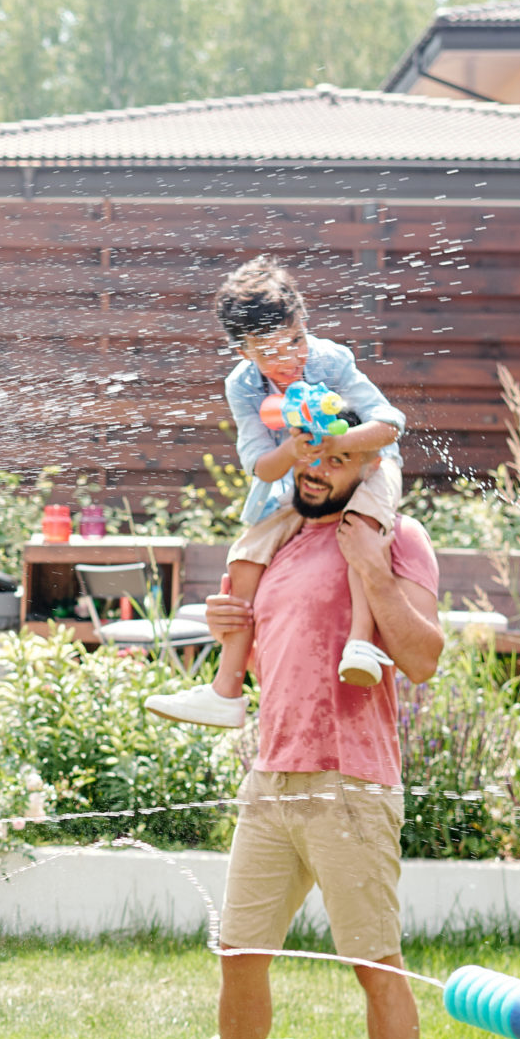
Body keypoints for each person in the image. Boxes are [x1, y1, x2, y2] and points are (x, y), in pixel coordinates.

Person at [143, 433, 445, 1039]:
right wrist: (226, 623)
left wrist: (375, 577)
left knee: (377, 963)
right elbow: (280, 650)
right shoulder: (279, 538)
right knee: (239, 951)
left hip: (351, 784)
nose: (316, 470)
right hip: (270, 777)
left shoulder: (394, 537)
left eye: (336, 459)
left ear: (367, 466)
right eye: (309, 457)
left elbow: (423, 657)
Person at [148, 258, 407, 729]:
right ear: (243, 352)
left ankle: (361, 643)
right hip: (302, 484)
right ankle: (226, 691)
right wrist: (293, 448)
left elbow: (390, 426)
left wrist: (339, 442)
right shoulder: (243, 387)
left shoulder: (331, 360)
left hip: (364, 470)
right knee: (246, 553)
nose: (289, 359)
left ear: (305, 323)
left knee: (363, 529)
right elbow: (260, 466)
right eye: (269, 352)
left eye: (296, 340)